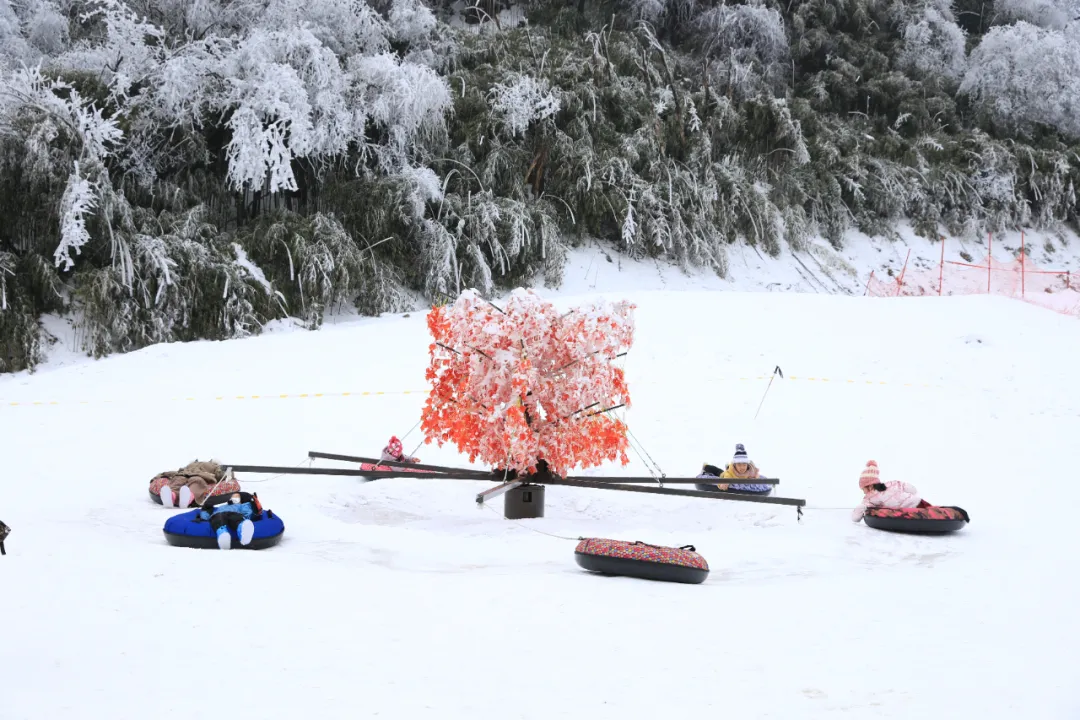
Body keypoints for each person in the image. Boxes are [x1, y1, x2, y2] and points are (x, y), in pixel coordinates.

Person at [851, 460, 923, 522]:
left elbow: (856, 518)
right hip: (918, 502)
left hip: (907, 512)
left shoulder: (869, 499)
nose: (863, 492)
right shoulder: (891, 484)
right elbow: (911, 489)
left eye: (863, 489)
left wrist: (857, 513)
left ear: (869, 486)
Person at [197, 491, 264, 550]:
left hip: (234, 514)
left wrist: (251, 503)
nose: (233, 498)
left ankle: (243, 530)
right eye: (233, 496)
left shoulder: (241, 506)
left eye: (237, 497)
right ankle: (223, 535)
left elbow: (249, 514)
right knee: (218, 520)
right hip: (218, 515)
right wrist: (206, 509)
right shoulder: (222, 507)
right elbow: (205, 517)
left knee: (236, 518)